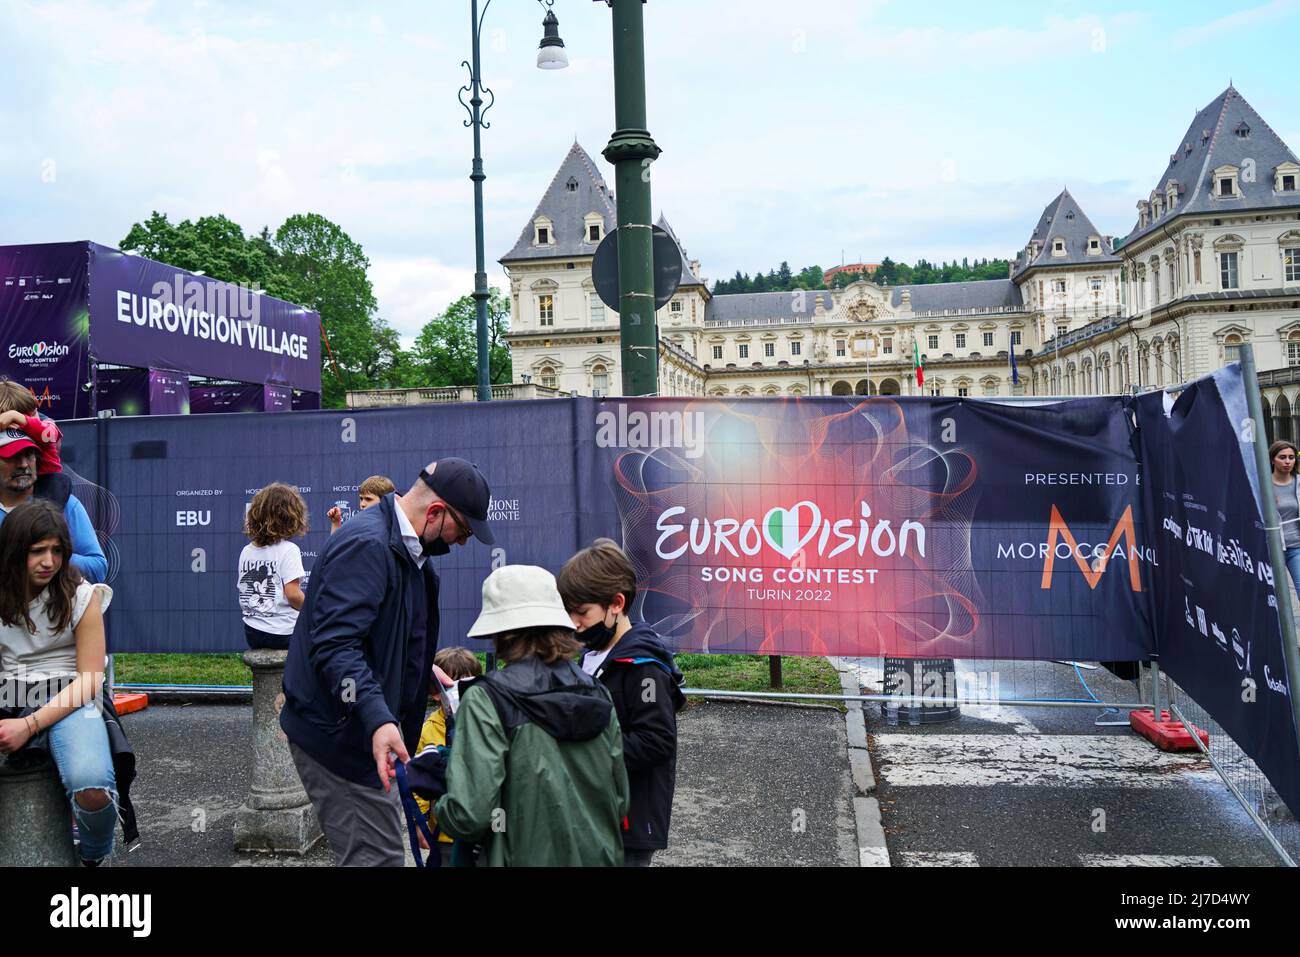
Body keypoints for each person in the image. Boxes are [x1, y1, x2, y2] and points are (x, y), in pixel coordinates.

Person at [280, 457, 494, 866]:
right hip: (341, 740)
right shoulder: (367, 544)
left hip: (365, 734)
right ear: (435, 511)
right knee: (378, 860)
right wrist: (378, 718)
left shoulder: (408, 549)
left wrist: (418, 672)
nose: (462, 542)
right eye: (462, 530)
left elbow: (385, 632)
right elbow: (336, 645)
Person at [428, 564, 629, 867]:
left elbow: (470, 814)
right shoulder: (598, 692)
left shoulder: (487, 699)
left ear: (499, 632)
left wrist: (440, 798)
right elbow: (620, 801)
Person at [0, 501, 118, 865]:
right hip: (7, 690)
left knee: (93, 785)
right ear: (15, 551)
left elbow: (91, 680)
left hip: (71, 693)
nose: (49, 561)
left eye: (57, 550)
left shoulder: (82, 594)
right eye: (37, 551)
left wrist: (29, 724)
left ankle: (95, 856)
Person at [559, 538, 686, 866]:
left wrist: (585, 750)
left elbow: (656, 741)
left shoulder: (644, 668)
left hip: (626, 826)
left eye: (582, 612)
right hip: (593, 817)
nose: (574, 622)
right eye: (568, 612)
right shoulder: (591, 657)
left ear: (616, 603)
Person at [0, 426, 105, 583]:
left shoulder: (66, 504)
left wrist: (51, 556)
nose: (23, 464)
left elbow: (98, 568)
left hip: (54, 605)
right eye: (11, 457)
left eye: (29, 455)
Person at [412, 646, 482, 866]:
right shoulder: (429, 729)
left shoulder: (487, 722)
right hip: (443, 833)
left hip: (481, 831)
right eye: (449, 687)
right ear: (435, 691)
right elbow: (420, 779)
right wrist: (419, 821)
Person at [238, 483, 309, 651]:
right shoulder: (289, 550)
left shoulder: (246, 550)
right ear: (290, 516)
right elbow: (293, 595)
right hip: (283, 633)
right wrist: (312, 610)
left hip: (252, 632)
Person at [0, 379, 71, 507]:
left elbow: (50, 434)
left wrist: (18, 418)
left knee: (45, 518)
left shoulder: (44, 424)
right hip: (14, 490)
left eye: (33, 413)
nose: (34, 417)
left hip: (48, 483)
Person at [1270, 440, 1300, 597]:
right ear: (1272, 459)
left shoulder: (1299, 482)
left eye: (1291, 457)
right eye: (1282, 457)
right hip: (1271, 548)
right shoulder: (1263, 484)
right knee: (1274, 594)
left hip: (1296, 546)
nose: (1287, 461)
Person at [327, 474, 395, 534]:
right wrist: (336, 523)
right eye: (361, 499)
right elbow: (339, 547)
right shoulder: (358, 526)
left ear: (385, 500)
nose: (362, 504)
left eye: (368, 499)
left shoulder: (398, 528)